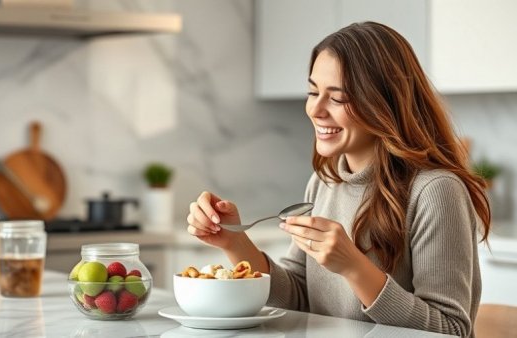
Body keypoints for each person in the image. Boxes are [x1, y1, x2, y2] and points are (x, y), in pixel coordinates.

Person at [185, 21, 490, 337]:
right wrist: (235, 241)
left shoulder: (435, 191)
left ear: (384, 102)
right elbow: (300, 297)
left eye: (338, 97)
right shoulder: (324, 182)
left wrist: (354, 267)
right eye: (313, 91)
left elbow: (450, 329)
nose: (315, 109)